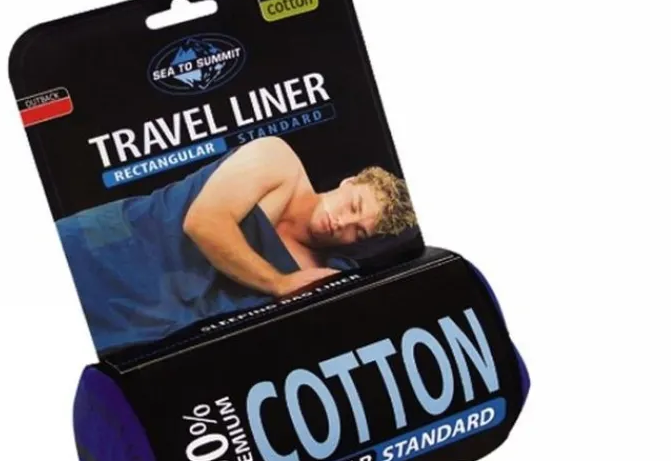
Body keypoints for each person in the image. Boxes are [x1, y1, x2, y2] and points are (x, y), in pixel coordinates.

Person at [57, 136, 417, 353]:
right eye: (353, 206)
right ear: (348, 182)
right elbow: (204, 223)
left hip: (143, 319)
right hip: (108, 246)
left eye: (358, 232)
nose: (342, 223)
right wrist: (278, 283)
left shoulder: (319, 275)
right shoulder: (279, 161)